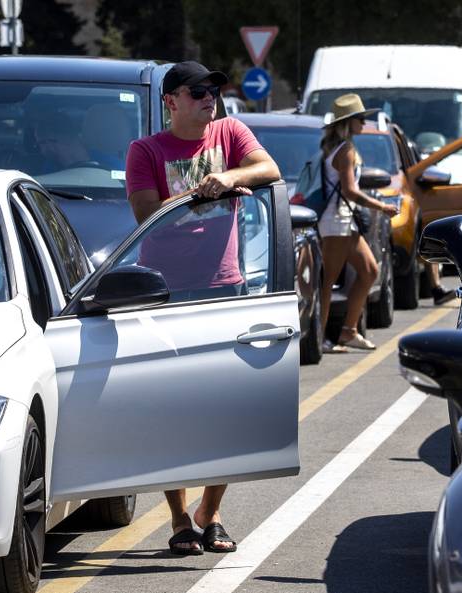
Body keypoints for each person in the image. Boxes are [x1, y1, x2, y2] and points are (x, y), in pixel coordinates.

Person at [124, 60, 280, 556]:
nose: (208, 97)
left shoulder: (230, 131)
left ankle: (209, 512)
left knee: (224, 410)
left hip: (225, 289)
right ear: (171, 101)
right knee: (173, 411)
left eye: (213, 89)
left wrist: (230, 176)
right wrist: (201, 191)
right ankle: (177, 516)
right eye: (197, 91)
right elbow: (148, 216)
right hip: (165, 293)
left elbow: (269, 169)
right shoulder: (145, 151)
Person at [318, 94, 399, 353]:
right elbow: (350, 190)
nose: (364, 123)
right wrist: (382, 207)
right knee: (327, 282)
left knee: (370, 271)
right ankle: (319, 338)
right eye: (360, 119)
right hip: (337, 222)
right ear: (348, 122)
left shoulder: (336, 147)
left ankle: (348, 331)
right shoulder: (347, 151)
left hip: (343, 222)